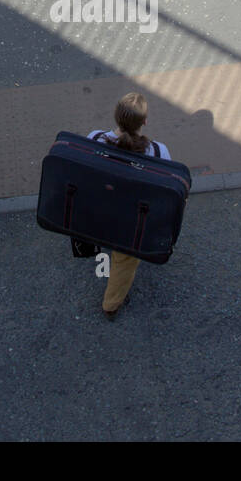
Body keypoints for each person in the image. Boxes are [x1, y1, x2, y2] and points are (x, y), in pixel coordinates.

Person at [87, 91, 172, 320]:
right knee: (123, 261)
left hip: (97, 210)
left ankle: (98, 251)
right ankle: (111, 304)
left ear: (116, 117)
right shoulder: (157, 151)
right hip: (130, 220)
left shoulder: (94, 138)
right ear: (144, 121)